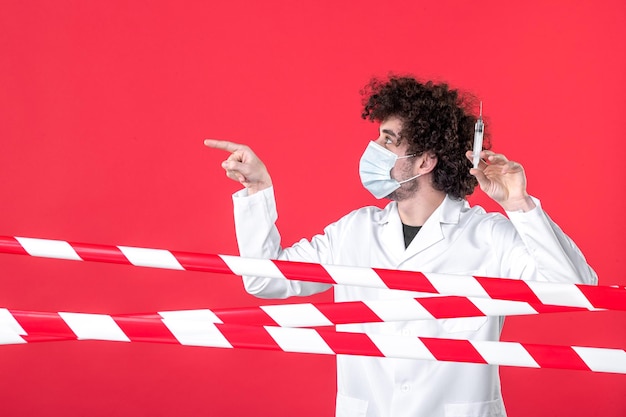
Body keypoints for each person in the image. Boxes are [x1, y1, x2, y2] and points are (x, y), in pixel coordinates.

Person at [204, 76, 597, 417]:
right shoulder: (354, 231)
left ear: (425, 160)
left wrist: (519, 205)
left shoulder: (488, 236)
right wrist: (257, 188)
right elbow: (263, 280)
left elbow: (574, 289)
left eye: (387, 141)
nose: (373, 150)